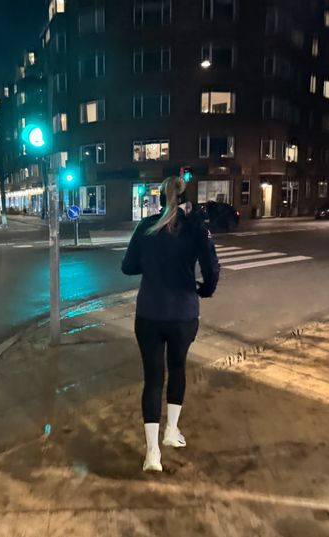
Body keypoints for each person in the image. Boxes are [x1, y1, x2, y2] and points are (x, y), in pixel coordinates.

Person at [121, 177, 220, 472]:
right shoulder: (195, 229)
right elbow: (211, 268)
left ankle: (152, 454)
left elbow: (128, 266)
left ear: (161, 197)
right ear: (187, 200)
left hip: (149, 314)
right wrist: (204, 289)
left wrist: (152, 264)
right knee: (177, 369)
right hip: (182, 315)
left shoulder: (146, 227)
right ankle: (171, 431)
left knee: (152, 380)